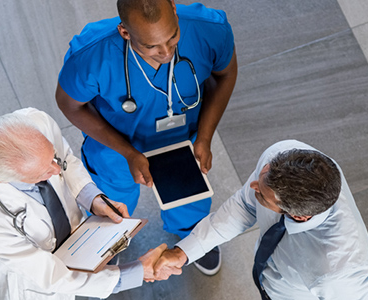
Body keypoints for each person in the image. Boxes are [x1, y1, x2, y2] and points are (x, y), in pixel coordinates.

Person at [55, 0, 237, 275]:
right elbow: (69, 104)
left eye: (173, 36)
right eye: (151, 46)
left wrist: (206, 137)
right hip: (117, 146)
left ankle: (192, 237)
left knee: (189, 196)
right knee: (111, 200)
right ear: (125, 33)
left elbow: (226, 74)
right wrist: (128, 152)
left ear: (174, 10)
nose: (165, 52)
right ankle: (110, 241)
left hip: (183, 138)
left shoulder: (210, 29)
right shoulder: (91, 56)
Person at [0, 108, 178, 300]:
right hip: (31, 281)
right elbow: (50, 275)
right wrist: (136, 272)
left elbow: (66, 161)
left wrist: (93, 199)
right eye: (43, 173)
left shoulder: (36, 122)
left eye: (51, 158)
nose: (56, 171)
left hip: (75, 243)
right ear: (5, 179)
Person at [152, 140, 368, 300]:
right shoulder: (282, 153)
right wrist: (184, 252)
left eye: (261, 194)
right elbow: (243, 206)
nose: (252, 186)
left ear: (297, 215)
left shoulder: (339, 270)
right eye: (261, 177)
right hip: (272, 275)